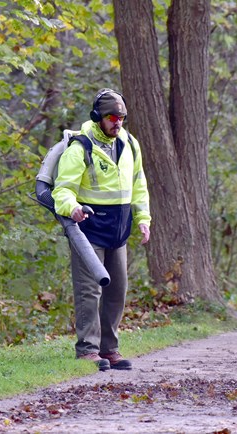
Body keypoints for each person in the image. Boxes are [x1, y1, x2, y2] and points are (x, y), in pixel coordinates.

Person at [52, 88, 151, 371]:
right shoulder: (80, 148)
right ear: (97, 117)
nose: (117, 122)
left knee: (117, 291)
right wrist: (72, 208)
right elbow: (62, 189)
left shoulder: (130, 144)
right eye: (112, 117)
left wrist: (143, 218)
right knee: (89, 291)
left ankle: (110, 349)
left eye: (121, 117)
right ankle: (87, 350)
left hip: (118, 230)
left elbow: (139, 184)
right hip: (89, 229)